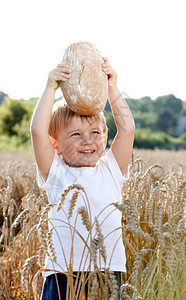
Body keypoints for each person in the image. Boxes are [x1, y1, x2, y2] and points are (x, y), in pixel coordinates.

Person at [30, 57, 135, 299]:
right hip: (62, 275)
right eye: (76, 134)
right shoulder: (56, 174)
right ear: (54, 144)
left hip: (107, 273)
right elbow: (37, 131)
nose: (87, 140)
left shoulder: (111, 170)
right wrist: (50, 88)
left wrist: (111, 87)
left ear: (106, 136)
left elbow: (127, 129)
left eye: (95, 132)